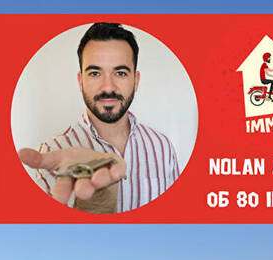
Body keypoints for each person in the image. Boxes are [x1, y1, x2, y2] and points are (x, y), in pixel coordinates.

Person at [18, 22, 180, 213]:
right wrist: (94, 202)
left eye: (120, 73)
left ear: (135, 81)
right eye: (95, 73)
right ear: (81, 81)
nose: (108, 87)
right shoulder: (52, 154)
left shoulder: (162, 147)